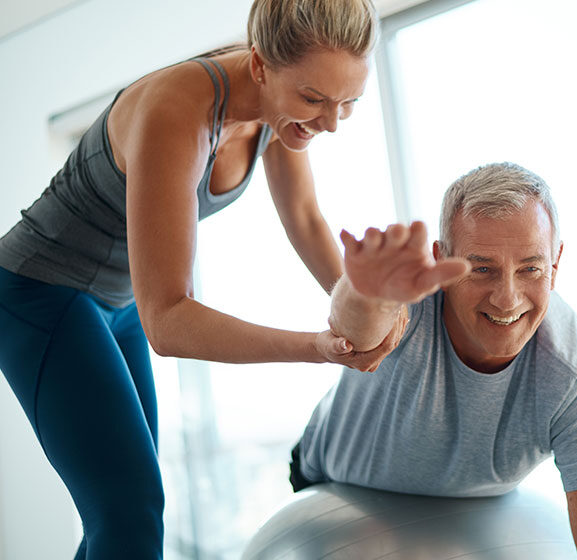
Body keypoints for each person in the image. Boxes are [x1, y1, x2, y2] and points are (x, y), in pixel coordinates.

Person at [0, 1, 400, 558]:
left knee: (120, 514)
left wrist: (367, 312)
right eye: (313, 99)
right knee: (130, 510)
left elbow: (305, 218)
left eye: (347, 103)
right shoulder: (177, 109)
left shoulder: (276, 114)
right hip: (39, 293)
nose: (330, 123)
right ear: (260, 66)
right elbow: (168, 321)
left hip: (118, 303)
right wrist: (320, 348)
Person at [291, 162, 577, 558]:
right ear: (442, 261)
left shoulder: (575, 372)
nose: (507, 298)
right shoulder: (409, 300)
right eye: (482, 269)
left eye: (530, 269)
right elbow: (359, 331)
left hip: (476, 514)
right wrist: (361, 291)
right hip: (337, 493)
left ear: (554, 266)